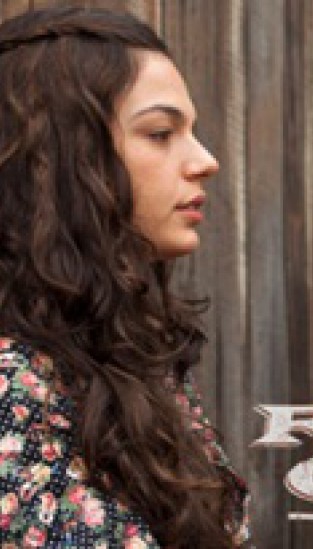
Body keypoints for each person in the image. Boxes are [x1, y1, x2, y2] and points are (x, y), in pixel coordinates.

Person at [0, 7, 247, 547]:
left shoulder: (127, 355)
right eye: (160, 133)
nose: (205, 160)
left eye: (192, 132)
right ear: (61, 160)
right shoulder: (11, 386)